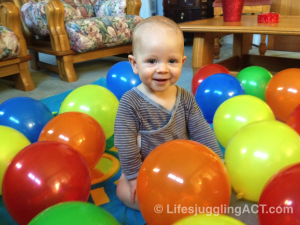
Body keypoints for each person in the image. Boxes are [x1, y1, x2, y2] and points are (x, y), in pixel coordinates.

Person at [114, 15, 223, 210]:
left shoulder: (185, 97)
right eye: (152, 61)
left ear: (182, 61)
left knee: (203, 190)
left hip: (181, 165)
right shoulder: (130, 102)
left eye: (172, 61)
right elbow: (125, 142)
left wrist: (217, 160)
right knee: (125, 191)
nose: (163, 69)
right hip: (146, 168)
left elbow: (201, 130)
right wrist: (133, 176)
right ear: (134, 64)